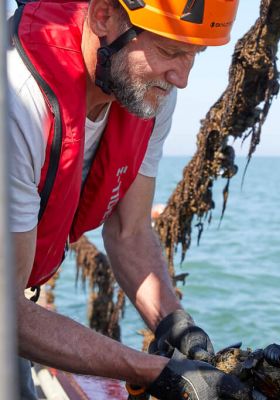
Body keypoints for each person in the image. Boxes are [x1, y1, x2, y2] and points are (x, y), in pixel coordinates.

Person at [7, 0, 249, 398]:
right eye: (170, 51)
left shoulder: (149, 94)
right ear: (103, 16)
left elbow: (128, 229)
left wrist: (176, 325)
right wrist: (156, 372)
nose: (181, 77)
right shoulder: (16, 103)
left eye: (194, 56)